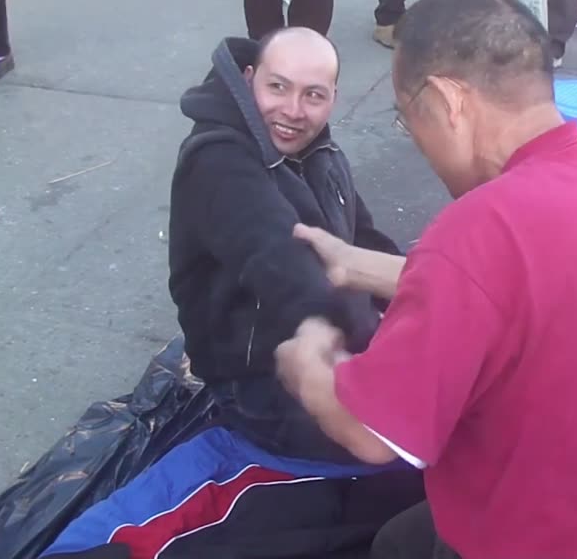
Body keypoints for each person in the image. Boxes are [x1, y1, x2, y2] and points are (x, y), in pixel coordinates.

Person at [274, 0, 577, 558]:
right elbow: (516, 289)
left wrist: (309, 360)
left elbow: (370, 433)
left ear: (449, 102)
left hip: (542, 540)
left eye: (408, 119)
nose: (416, 141)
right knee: (399, 540)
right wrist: (354, 265)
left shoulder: (479, 228)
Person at [169, 27, 403, 463]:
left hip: (328, 337)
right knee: (422, 442)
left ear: (334, 96)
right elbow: (293, 277)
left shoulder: (320, 150)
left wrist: (428, 301)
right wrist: (393, 357)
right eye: (278, 87)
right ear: (249, 77)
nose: (293, 111)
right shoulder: (219, 163)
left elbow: (368, 240)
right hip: (257, 379)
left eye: (313, 95)